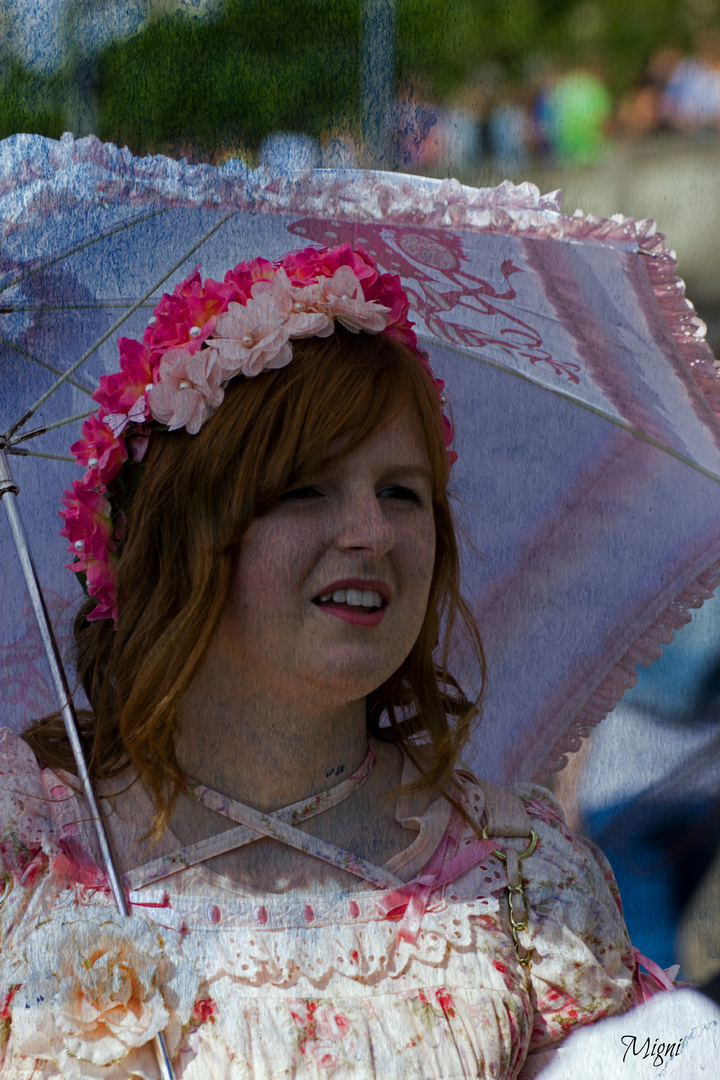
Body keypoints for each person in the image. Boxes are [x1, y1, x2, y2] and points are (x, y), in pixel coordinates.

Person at [0, 243, 665, 1079]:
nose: (372, 534)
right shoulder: (24, 847)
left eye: (401, 492)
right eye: (305, 487)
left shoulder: (527, 885)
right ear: (180, 537)